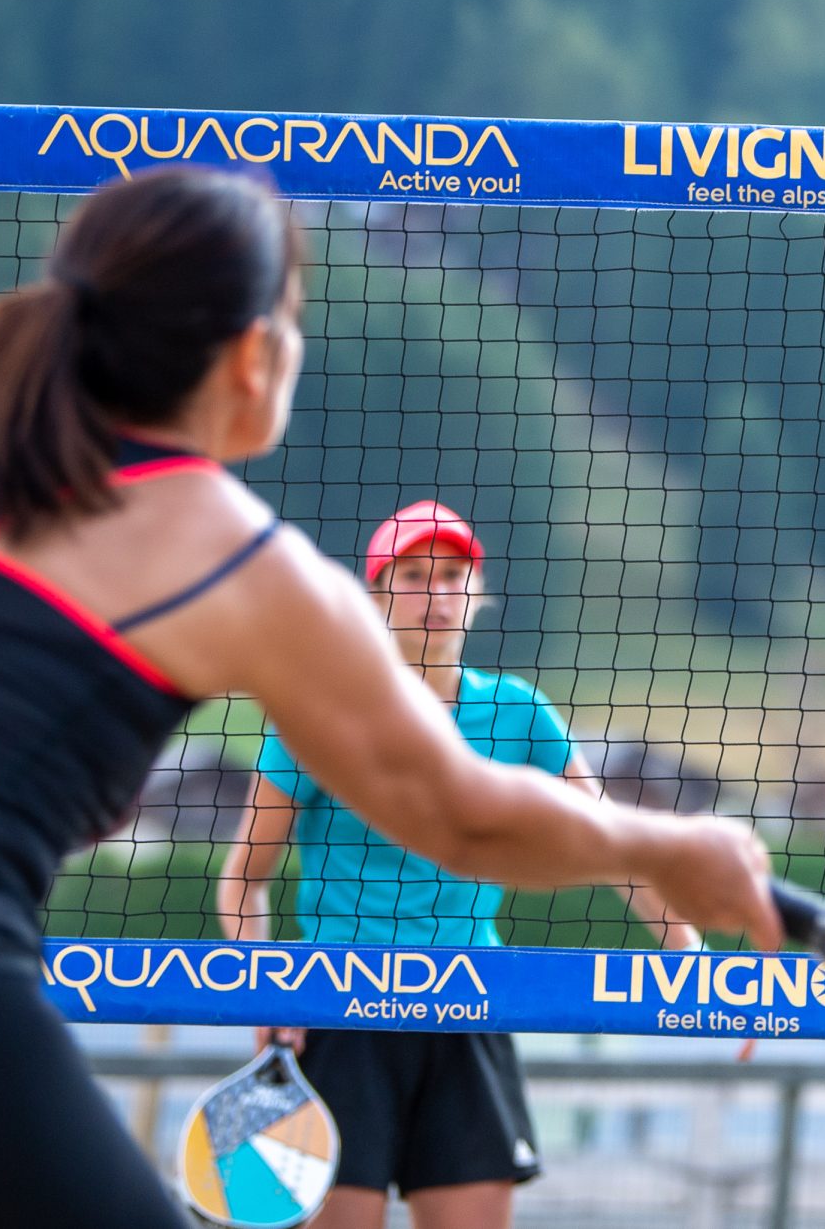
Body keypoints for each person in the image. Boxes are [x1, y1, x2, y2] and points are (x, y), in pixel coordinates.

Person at [0, 167, 779, 1229]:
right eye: (296, 316)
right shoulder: (237, 554)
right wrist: (681, 849)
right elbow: (461, 816)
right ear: (247, 356)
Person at [218, 501, 700, 1228]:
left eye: (452, 576)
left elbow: (616, 844)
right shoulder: (319, 710)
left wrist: (689, 950)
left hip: (472, 1001)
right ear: (376, 594)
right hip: (341, 1010)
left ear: (478, 595)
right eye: (412, 575)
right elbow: (243, 877)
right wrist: (265, 992)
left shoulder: (519, 713)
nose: (435, 594)